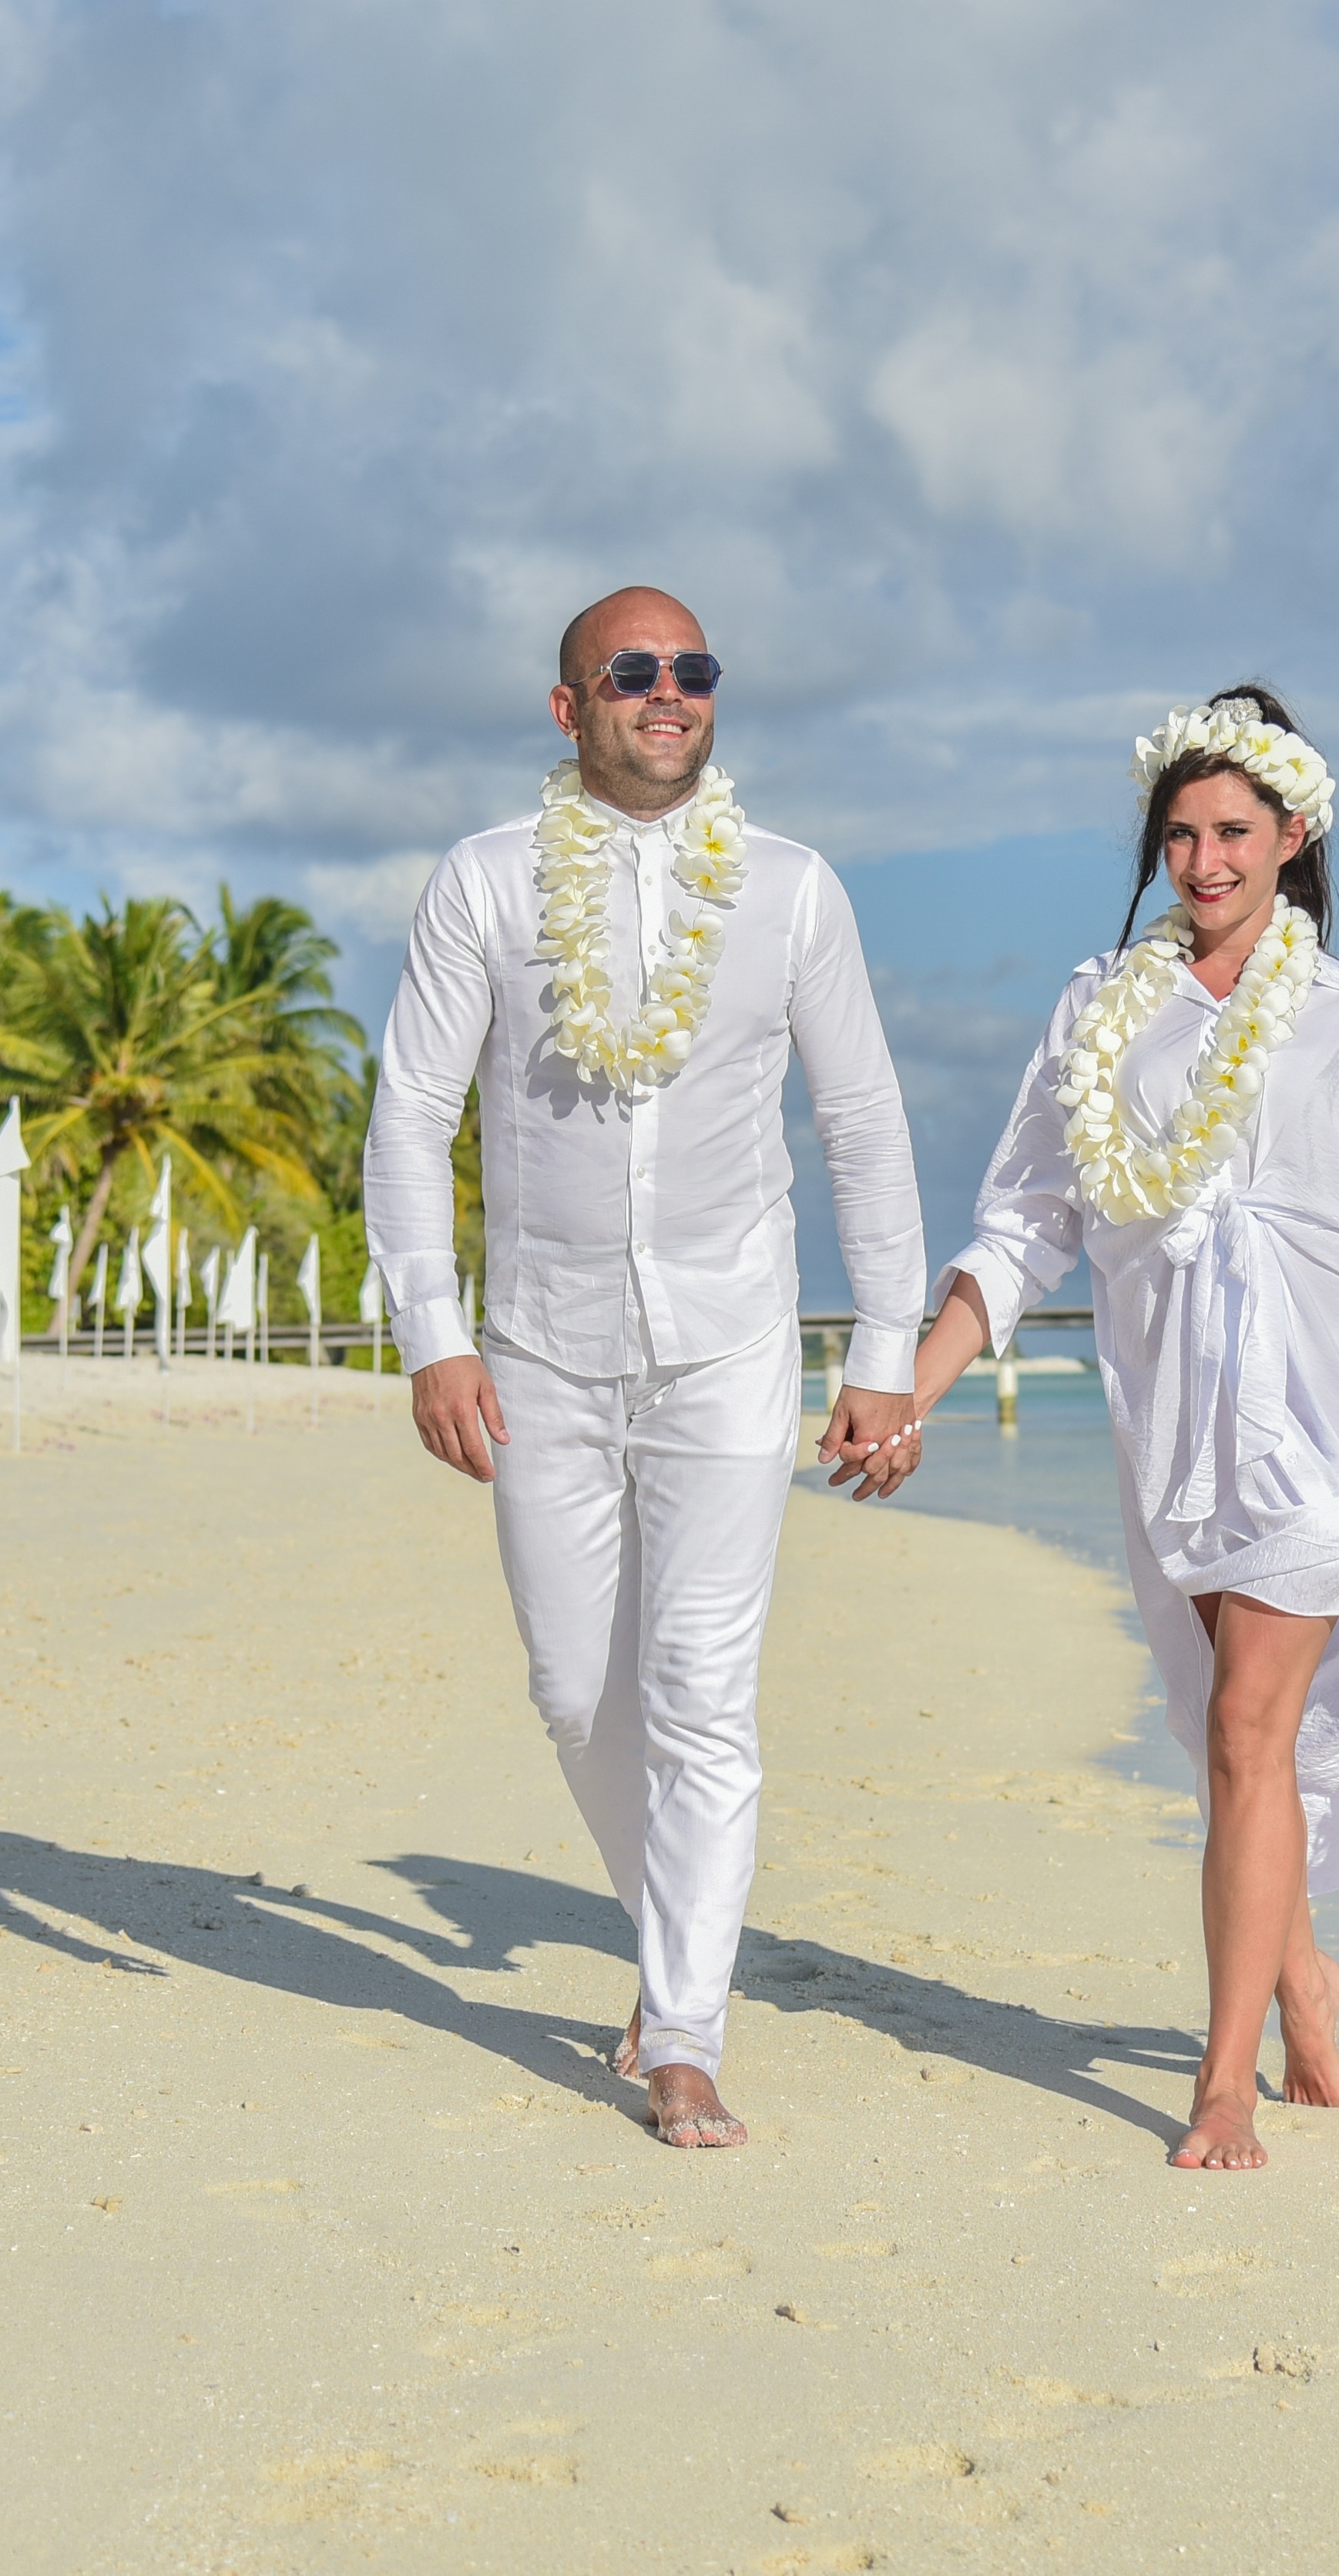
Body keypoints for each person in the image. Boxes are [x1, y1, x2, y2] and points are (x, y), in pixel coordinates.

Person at [905, 686, 1339, 2170]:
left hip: (1328, 1418)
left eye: (1233, 830)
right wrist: (913, 1385)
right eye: (1179, 835)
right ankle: (1304, 1980)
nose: (1204, 861)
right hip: (1177, 1418)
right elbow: (1029, 1218)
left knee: (1249, 1723)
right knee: (1229, 1740)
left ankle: (1221, 2081)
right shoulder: (1098, 1011)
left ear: (1294, 835)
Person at [367, 586, 931, 2149]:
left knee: (699, 1692)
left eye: (692, 668)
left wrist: (885, 1347)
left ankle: (682, 2027)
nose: (667, 691)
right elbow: (410, 1114)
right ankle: (669, 1929)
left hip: (731, 1344)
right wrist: (432, 1331)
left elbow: (862, 1120)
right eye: (631, 671)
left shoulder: (792, 888)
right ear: (571, 706)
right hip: (539, 1350)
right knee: (572, 1690)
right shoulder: (485, 881)